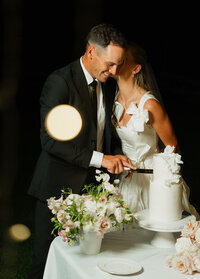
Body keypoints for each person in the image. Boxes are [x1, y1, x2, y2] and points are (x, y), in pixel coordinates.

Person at [27, 24, 135, 279]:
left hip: (91, 194)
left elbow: (103, 134)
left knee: (81, 266)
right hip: (56, 191)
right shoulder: (59, 81)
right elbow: (51, 142)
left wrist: (117, 156)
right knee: (44, 262)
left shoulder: (105, 85)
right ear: (90, 52)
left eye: (118, 65)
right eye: (110, 64)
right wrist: (102, 160)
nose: (115, 71)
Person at [112, 42, 199, 220]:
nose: (117, 61)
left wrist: (162, 180)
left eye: (123, 59)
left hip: (151, 180)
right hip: (127, 179)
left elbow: (172, 146)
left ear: (136, 68)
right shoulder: (115, 100)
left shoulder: (149, 105)